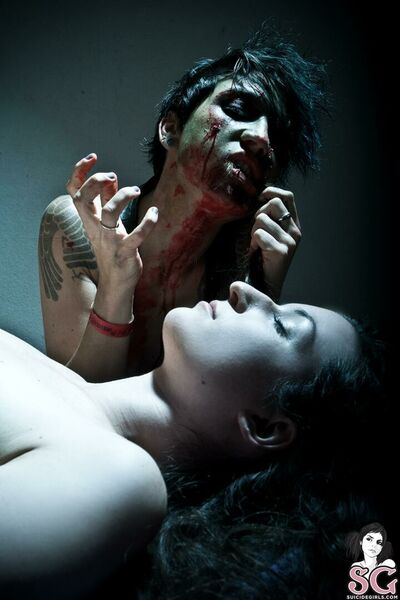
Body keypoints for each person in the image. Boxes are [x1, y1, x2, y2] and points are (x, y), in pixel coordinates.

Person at [0, 280, 385, 598]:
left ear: (264, 427)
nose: (242, 290)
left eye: (282, 326)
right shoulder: (72, 391)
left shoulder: (119, 476)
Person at [38, 24, 327, 379]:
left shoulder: (244, 267)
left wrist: (265, 293)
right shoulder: (79, 226)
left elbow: (232, 404)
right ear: (171, 129)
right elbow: (76, 399)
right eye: (238, 107)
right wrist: (116, 284)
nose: (263, 140)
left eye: (276, 141)